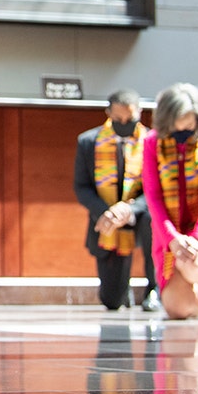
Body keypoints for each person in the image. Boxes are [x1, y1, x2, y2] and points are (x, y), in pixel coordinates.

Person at [141, 82, 198, 320]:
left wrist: (197, 239)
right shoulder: (151, 142)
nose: (186, 129)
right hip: (169, 226)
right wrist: (173, 239)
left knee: (193, 260)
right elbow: (154, 197)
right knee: (179, 309)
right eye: (180, 123)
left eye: (191, 123)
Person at [73, 88, 158, 312]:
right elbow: (81, 187)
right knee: (112, 301)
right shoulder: (88, 141)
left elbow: (157, 189)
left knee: (154, 219)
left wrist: (129, 210)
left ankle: (154, 288)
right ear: (108, 113)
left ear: (139, 113)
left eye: (129, 119)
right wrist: (108, 212)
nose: (124, 123)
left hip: (139, 214)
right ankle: (121, 289)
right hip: (106, 217)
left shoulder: (152, 142)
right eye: (118, 118)